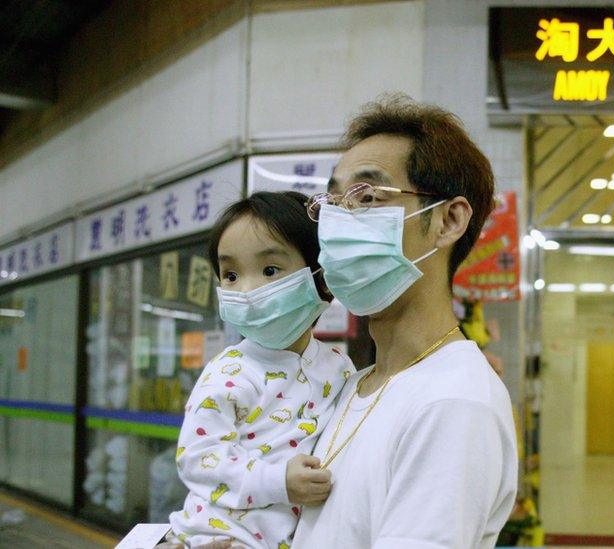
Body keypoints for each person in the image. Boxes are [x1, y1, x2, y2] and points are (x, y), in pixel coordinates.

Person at [292, 95, 518, 548]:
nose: (337, 222)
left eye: (367, 197)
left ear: (448, 220)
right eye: (332, 202)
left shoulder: (453, 401)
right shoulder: (355, 385)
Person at [165, 191, 355, 548]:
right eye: (231, 274)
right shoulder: (228, 371)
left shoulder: (339, 368)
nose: (248, 290)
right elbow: (197, 458)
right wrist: (277, 481)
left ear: (321, 274)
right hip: (221, 537)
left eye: (270, 270)